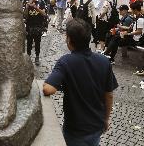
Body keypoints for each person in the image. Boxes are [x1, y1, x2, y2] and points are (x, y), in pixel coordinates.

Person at [43, 18, 118, 146]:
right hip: (96, 125)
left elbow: (48, 89)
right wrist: (106, 119)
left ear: (69, 39)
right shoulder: (104, 61)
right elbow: (109, 94)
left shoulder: (65, 62)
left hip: (75, 129)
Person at [24, 0, 47, 66]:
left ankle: (37, 57)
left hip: (38, 26)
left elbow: (44, 14)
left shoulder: (41, 2)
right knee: (29, 43)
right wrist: (27, 7)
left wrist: (35, 7)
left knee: (37, 43)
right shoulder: (26, 3)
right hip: (29, 26)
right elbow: (25, 16)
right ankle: (28, 57)